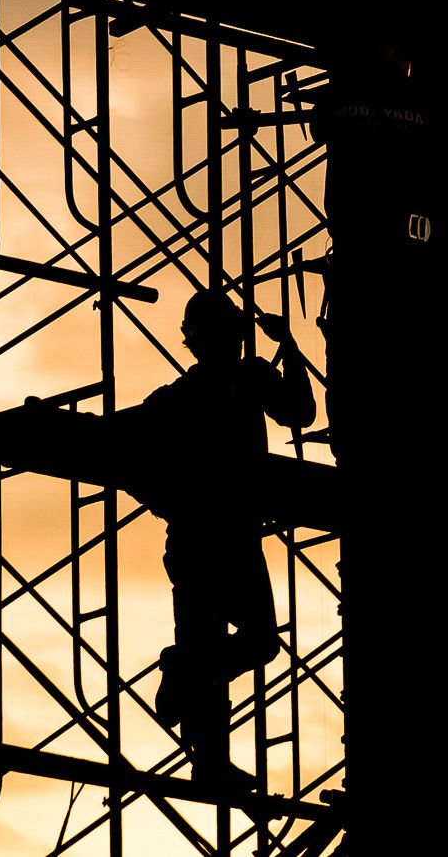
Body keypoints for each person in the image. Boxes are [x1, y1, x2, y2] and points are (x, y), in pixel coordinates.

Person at [139, 289, 316, 795]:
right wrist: (290, 348)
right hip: (230, 537)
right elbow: (301, 412)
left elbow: (134, 447)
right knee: (254, 643)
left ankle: (196, 708)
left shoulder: (177, 398)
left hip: (194, 540)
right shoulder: (247, 378)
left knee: (214, 648)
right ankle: (196, 708)